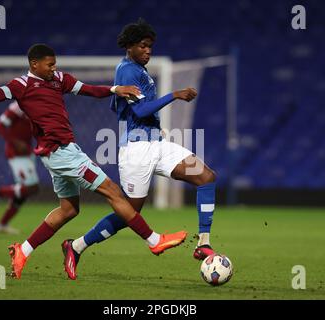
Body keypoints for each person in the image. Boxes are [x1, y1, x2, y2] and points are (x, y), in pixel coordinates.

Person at [0, 44, 187, 280]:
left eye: (55, 63)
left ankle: (23, 251)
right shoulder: (21, 85)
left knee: (68, 210)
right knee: (113, 192)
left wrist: (114, 89)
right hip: (63, 155)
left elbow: (88, 90)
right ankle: (154, 241)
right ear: (34, 65)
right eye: (49, 64)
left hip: (59, 154)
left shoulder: (59, 79)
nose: (53, 68)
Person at [68, 19, 218, 271]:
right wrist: (174, 95)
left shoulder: (139, 70)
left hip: (157, 145)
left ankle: (203, 242)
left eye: (150, 47)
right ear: (129, 47)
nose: (148, 51)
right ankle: (76, 246)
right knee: (130, 213)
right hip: (136, 151)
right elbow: (140, 110)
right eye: (143, 46)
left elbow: (122, 106)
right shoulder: (127, 70)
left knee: (206, 176)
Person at [0, 100, 39, 235]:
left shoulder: (35, 104)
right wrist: (16, 142)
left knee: (23, 193)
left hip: (27, 152)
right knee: (31, 188)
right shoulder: (17, 107)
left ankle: (2, 224)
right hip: (16, 153)